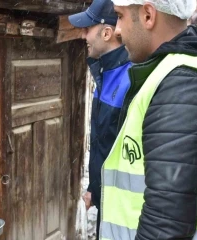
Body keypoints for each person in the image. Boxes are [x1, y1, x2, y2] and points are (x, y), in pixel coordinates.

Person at [100, 0, 197, 239]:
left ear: (148, 15)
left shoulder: (184, 85)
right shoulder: (189, 72)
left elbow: (165, 225)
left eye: (120, 16)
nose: (116, 29)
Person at [68, 0, 132, 238]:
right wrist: (94, 189)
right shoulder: (105, 74)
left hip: (126, 212)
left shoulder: (131, 80)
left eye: (87, 29)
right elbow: (106, 146)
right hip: (109, 204)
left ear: (107, 33)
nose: (83, 35)